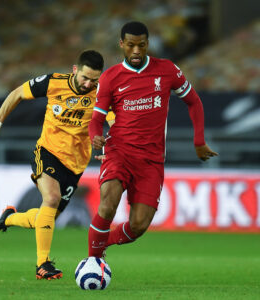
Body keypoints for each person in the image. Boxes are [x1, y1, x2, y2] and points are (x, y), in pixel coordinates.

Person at [87, 21, 218, 258]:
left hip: (151, 161)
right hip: (119, 152)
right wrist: (95, 137)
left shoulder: (167, 70)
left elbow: (194, 102)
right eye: (130, 45)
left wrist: (199, 141)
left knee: (138, 226)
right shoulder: (110, 77)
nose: (136, 51)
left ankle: (100, 244)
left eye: (141, 45)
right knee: (108, 202)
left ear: (148, 44)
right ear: (122, 45)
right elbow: (96, 120)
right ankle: (93, 260)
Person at [0, 50, 114, 280]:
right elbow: (17, 94)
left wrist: (110, 148)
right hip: (48, 152)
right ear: (75, 69)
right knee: (51, 199)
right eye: (85, 77)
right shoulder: (53, 82)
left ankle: (8, 219)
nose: (88, 83)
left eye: (94, 80)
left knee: (47, 218)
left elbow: (115, 125)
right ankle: (42, 264)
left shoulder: (102, 95)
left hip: (75, 165)